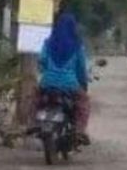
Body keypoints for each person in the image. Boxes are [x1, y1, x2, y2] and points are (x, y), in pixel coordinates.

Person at [38, 12, 91, 144]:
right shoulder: (77, 46)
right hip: (69, 85)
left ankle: (31, 123)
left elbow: (42, 61)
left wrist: (48, 72)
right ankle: (79, 130)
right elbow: (81, 68)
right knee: (84, 102)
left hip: (47, 83)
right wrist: (83, 83)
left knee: (34, 99)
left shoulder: (48, 43)